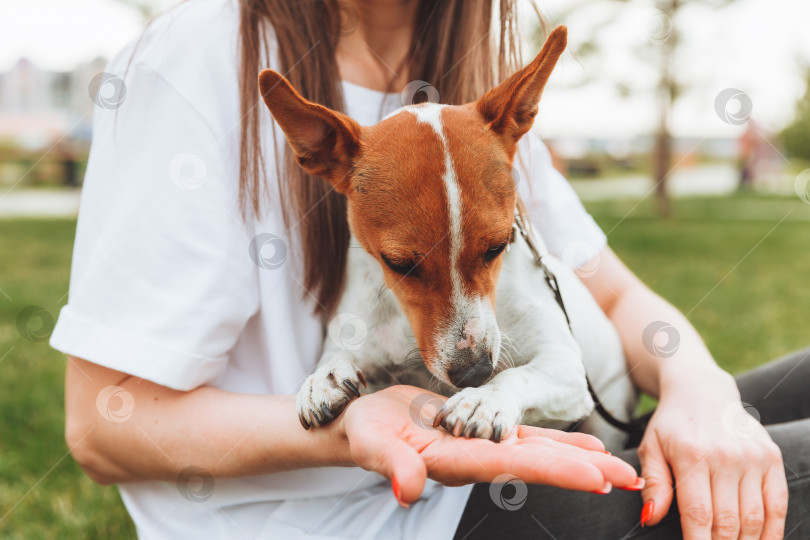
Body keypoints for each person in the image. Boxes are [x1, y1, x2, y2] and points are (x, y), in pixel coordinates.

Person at [52, 0, 809, 538]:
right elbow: (100, 425)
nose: (466, 343)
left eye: (492, 249)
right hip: (372, 518)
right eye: (408, 267)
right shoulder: (199, 57)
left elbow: (609, 291)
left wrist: (703, 395)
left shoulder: (473, 112)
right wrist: (345, 429)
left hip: (542, 433)